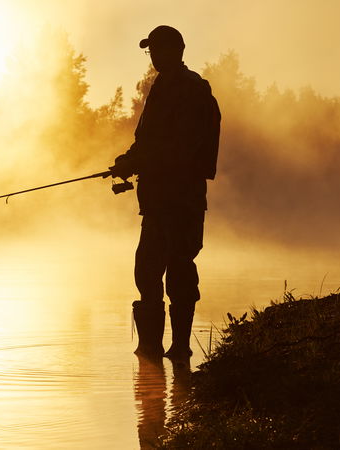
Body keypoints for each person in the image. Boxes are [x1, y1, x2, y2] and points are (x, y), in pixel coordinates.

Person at [110, 25, 221, 360]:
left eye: (159, 49)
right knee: (150, 271)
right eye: (151, 50)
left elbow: (180, 146)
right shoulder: (162, 87)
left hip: (179, 200)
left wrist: (137, 161)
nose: (154, 56)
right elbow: (150, 142)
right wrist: (129, 159)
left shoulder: (190, 90)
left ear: (179, 50)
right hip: (160, 201)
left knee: (176, 270)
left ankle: (176, 349)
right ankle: (154, 354)